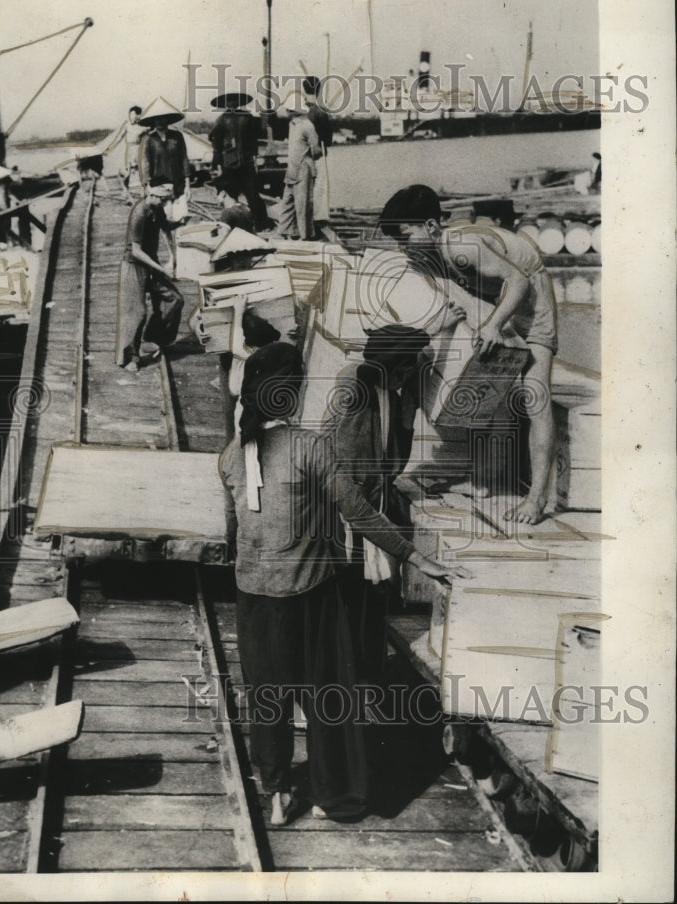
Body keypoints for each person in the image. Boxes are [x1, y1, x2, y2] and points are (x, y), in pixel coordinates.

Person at [219, 342, 464, 826]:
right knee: (328, 695)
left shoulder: (230, 455)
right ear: (290, 396)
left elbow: (236, 528)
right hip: (311, 597)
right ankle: (339, 797)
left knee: (267, 697)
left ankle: (274, 792)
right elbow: (359, 514)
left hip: (253, 599)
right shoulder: (310, 447)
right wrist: (418, 558)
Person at [380, 183, 559, 525]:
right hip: (493, 298)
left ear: (431, 227)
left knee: (536, 396)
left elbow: (518, 282)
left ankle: (536, 499)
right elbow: (456, 305)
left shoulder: (463, 246)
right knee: (475, 377)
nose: (402, 248)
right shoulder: (424, 260)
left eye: (406, 237)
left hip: (530, 297)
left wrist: (493, 326)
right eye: (397, 241)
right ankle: (484, 477)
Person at [322, 322, 465, 685]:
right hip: (346, 516)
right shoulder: (355, 392)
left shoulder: (388, 393)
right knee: (348, 604)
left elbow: (391, 464)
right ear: (396, 368)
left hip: (366, 510)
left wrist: (410, 406)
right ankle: (350, 683)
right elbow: (357, 479)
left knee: (367, 603)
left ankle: (361, 679)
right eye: (408, 369)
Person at [115, 179, 184, 372]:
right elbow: (136, 251)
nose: (165, 203)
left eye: (166, 200)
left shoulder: (157, 208)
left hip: (150, 263)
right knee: (137, 313)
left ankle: (155, 337)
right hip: (133, 265)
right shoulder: (139, 213)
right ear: (151, 195)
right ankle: (130, 357)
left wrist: (179, 223)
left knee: (175, 299)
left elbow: (165, 227)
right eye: (162, 199)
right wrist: (163, 270)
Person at [208, 92, 270, 232]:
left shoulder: (248, 117)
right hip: (228, 163)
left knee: (252, 194)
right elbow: (216, 144)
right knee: (230, 194)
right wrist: (215, 164)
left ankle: (261, 224)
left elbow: (254, 138)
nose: (232, 103)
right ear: (225, 104)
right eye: (229, 101)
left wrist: (255, 157)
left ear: (238, 102)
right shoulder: (221, 120)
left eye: (234, 100)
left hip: (246, 161)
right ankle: (233, 223)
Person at [277, 98, 323, 241]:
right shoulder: (293, 125)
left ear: (292, 111)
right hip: (292, 168)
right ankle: (286, 231)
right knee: (287, 202)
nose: (286, 112)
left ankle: (305, 235)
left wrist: (307, 159)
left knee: (302, 205)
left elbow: (316, 150)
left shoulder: (307, 125)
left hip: (303, 168)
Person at [302, 75, 333, 231]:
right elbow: (328, 138)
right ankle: (319, 217)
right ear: (319, 90)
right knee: (320, 186)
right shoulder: (321, 111)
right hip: (319, 153)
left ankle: (304, 216)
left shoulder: (300, 111)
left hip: (302, 154)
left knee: (304, 186)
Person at [138, 110, 191, 201]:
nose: (160, 121)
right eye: (157, 119)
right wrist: (145, 185)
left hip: (178, 182)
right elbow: (146, 163)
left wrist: (188, 186)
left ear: (167, 119)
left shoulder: (177, 136)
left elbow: (184, 159)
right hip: (158, 185)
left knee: (180, 214)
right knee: (162, 213)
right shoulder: (150, 139)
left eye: (162, 118)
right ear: (153, 121)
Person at [120, 105, 149, 203]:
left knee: (143, 172)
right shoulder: (127, 125)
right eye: (130, 114)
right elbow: (119, 137)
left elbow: (151, 134)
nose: (131, 116)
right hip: (129, 151)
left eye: (133, 114)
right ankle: (125, 191)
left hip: (140, 150)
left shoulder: (144, 126)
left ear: (138, 115)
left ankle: (144, 193)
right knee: (126, 174)